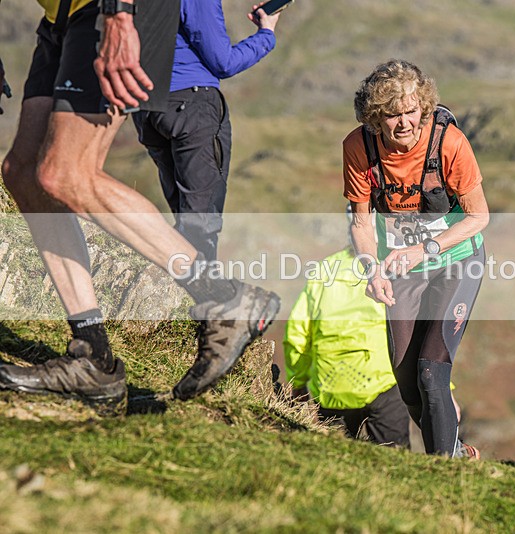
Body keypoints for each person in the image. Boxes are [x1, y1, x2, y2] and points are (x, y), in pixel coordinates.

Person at [0, 0, 280, 415]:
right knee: (22, 173)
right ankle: (91, 356)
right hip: (59, 17)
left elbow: (220, 59)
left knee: (67, 174)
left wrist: (119, 12)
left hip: (118, 9)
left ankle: (223, 298)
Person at [343, 59, 489, 458]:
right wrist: (372, 269)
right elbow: (360, 222)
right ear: (375, 118)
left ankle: (445, 473)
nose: (404, 123)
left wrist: (427, 247)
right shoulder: (359, 148)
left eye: (411, 112)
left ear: (423, 109)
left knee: (430, 372)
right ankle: (454, 453)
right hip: (401, 267)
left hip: (457, 258)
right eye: (392, 115)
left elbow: (480, 217)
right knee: (408, 383)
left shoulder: (450, 143)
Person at [132, 0, 280, 261]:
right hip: (191, 106)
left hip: (147, 109)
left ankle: (177, 291)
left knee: (182, 215)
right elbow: (223, 63)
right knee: (200, 221)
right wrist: (266, 35)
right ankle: (204, 295)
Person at [283, 242, 410, 448]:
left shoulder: (324, 269)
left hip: (331, 384)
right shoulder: (394, 266)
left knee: (337, 461)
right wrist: (441, 389)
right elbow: (413, 331)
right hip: (383, 380)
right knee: (396, 463)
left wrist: (297, 383)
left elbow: (297, 333)